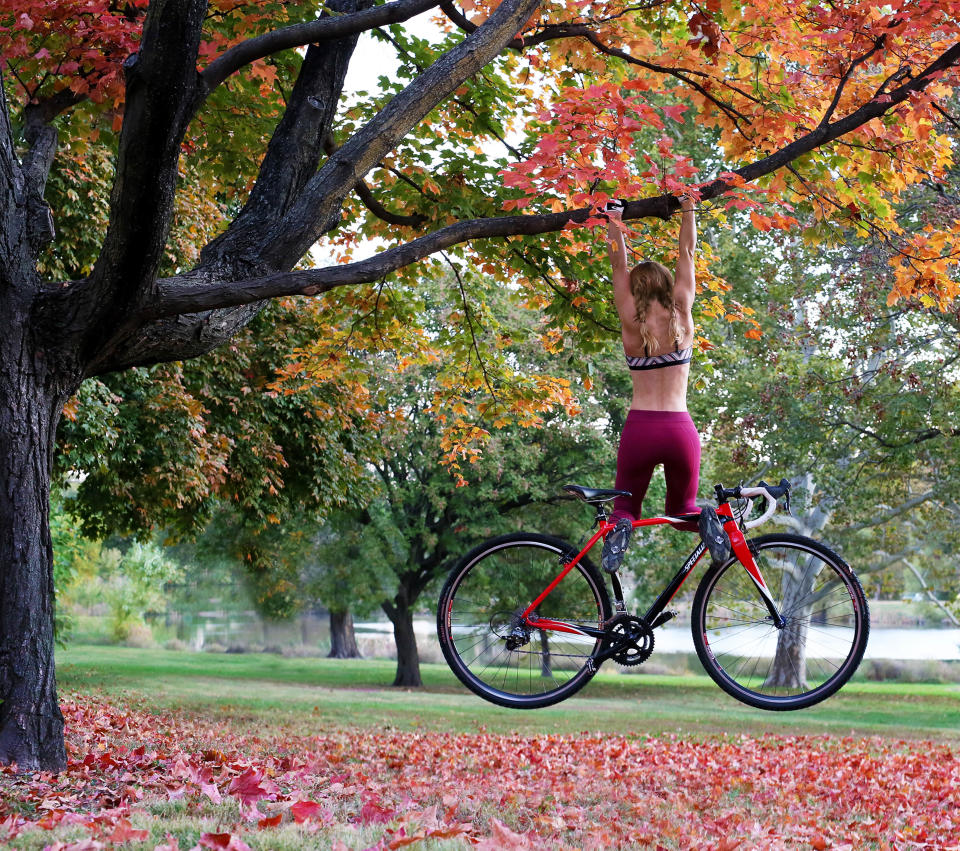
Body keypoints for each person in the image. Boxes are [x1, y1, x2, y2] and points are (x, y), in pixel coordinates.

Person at [599, 195, 729, 574]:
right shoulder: (682, 315)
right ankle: (703, 518)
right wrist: (688, 206)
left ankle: (620, 528)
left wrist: (615, 218)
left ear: (637, 290)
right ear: (668, 286)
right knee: (681, 509)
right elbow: (686, 251)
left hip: (641, 428)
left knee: (624, 509)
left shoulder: (629, 319)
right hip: (679, 429)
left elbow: (617, 263)